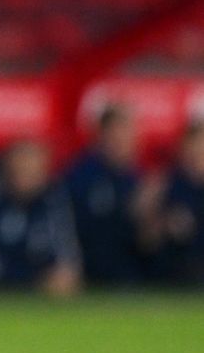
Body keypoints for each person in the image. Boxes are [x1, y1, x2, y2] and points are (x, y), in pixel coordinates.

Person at [0, 139, 82, 297]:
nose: (27, 178)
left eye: (34, 172)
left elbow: (67, 255)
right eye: (22, 170)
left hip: (43, 296)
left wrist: (63, 274)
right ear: (7, 168)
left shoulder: (53, 197)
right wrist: (35, 280)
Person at [63, 105, 148, 284]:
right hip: (88, 276)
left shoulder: (143, 178)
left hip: (136, 277)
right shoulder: (80, 176)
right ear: (100, 136)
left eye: (125, 131)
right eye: (113, 133)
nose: (119, 139)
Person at [159, 123, 204, 284]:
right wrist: (166, 223)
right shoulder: (168, 184)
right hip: (176, 273)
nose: (198, 153)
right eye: (194, 146)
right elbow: (144, 239)